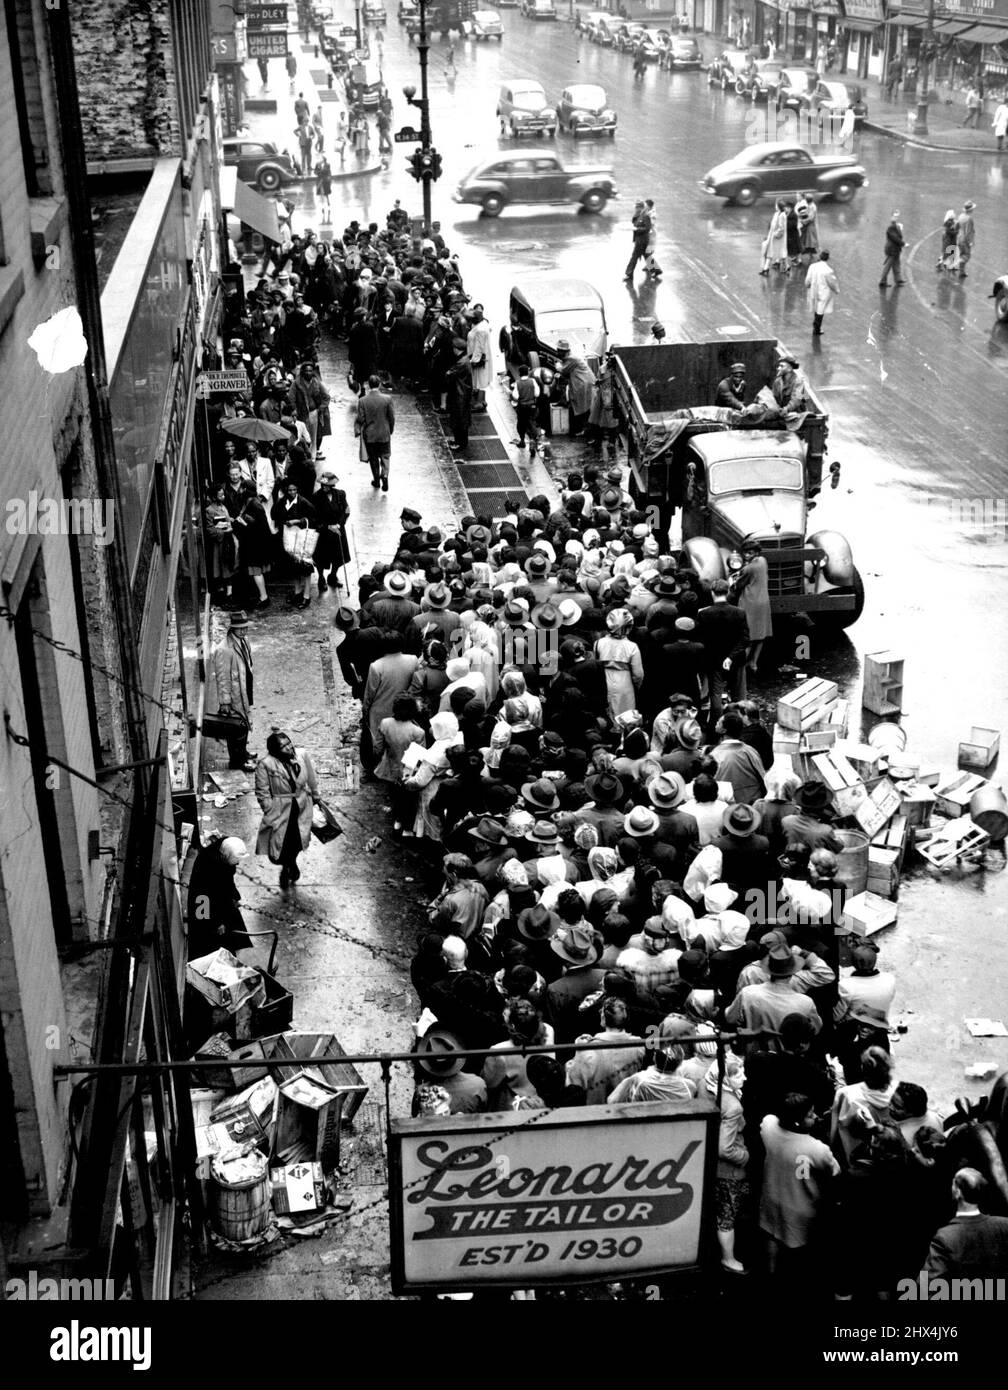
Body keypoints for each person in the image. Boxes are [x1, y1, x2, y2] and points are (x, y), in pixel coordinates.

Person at [759, 1091, 841, 1283]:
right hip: (800, 1207)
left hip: (771, 1197)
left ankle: (770, 1276)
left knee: (771, 1236)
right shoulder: (817, 1148)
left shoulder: (770, 1128)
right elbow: (835, 1171)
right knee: (795, 1249)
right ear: (797, 1122)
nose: (815, 1116)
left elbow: (769, 1119)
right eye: (810, 1115)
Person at [254, 729, 321, 888]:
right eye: (283, 746)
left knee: (298, 839)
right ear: (275, 750)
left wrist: (315, 793)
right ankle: (287, 864)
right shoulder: (266, 764)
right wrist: (269, 809)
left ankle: (291, 863)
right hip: (280, 810)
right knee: (279, 844)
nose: (289, 748)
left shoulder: (301, 755)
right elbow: (262, 791)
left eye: (289, 743)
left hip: (301, 805)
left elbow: (310, 776)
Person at [923, 1168, 1008, 1280]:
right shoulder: (1004, 1225)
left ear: (957, 1192)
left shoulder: (945, 1237)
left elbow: (925, 1288)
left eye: (953, 1184)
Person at [186, 834, 253, 959]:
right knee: (211, 942)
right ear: (225, 856)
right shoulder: (206, 868)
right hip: (207, 909)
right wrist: (215, 923)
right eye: (235, 861)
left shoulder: (223, 853)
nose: (237, 864)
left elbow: (228, 880)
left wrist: (234, 896)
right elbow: (202, 900)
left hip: (221, 903)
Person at [209, 611, 256, 771]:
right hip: (234, 696)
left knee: (244, 724)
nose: (243, 631)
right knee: (236, 729)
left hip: (244, 691)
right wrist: (225, 702)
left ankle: (243, 752)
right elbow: (222, 678)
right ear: (233, 629)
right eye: (240, 628)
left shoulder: (244, 641)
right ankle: (237, 761)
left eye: (245, 627)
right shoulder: (224, 650)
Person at [732, 539, 771, 673]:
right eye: (746, 553)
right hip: (763, 601)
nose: (747, 555)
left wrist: (735, 580)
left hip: (750, 602)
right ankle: (754, 663)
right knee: (760, 635)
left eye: (750, 553)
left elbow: (738, 585)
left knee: (747, 636)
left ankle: (742, 665)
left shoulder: (749, 568)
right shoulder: (763, 561)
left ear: (755, 553)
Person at [356, 374, 396, 490]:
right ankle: (385, 475)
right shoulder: (387, 399)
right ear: (379, 384)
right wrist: (390, 430)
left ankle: (376, 480)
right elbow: (391, 417)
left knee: (373, 459)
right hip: (384, 433)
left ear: (369, 384)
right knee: (385, 456)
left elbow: (361, 418)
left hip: (370, 435)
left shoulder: (363, 401)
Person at [313, 471, 350, 592]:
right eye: (322, 485)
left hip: (338, 531)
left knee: (339, 556)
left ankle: (333, 576)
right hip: (324, 533)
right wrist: (328, 527)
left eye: (327, 485)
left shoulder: (340, 494)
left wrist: (339, 524)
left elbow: (346, 510)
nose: (324, 487)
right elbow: (314, 518)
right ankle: (321, 578)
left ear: (332, 485)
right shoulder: (316, 497)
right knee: (321, 558)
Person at [555, 340, 596, 438]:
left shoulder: (571, 359)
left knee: (582, 406)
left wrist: (557, 365)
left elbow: (563, 370)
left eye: (558, 350)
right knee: (584, 406)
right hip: (583, 382)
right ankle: (585, 430)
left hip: (583, 384)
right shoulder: (571, 358)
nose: (557, 352)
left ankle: (585, 431)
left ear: (563, 351)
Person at [805, 248, 839, 336]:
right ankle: (817, 328)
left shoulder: (812, 266)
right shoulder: (828, 270)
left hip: (813, 289)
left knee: (816, 307)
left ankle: (816, 326)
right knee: (820, 309)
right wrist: (836, 290)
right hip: (823, 292)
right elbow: (832, 282)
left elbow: (808, 279)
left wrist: (807, 285)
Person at [623, 201, 652, 281]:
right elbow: (634, 222)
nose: (635, 209)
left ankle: (629, 274)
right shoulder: (638, 216)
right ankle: (656, 271)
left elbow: (647, 228)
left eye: (637, 207)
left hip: (642, 241)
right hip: (638, 240)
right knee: (646, 256)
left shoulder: (646, 216)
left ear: (641, 208)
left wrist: (637, 229)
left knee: (634, 257)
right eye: (635, 207)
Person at [878, 210, 906, 288]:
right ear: (891, 217)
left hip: (895, 250)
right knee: (888, 265)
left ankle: (898, 279)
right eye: (894, 216)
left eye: (897, 216)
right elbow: (895, 238)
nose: (895, 218)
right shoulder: (891, 227)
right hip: (891, 250)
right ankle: (882, 281)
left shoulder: (896, 226)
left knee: (897, 264)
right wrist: (903, 244)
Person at [760, 199, 787, 275]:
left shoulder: (782, 215)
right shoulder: (776, 214)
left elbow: (781, 228)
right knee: (770, 253)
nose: (775, 206)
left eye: (776, 205)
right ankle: (766, 269)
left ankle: (784, 267)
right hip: (772, 237)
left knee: (778, 253)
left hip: (778, 239)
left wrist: (775, 235)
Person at [955, 200, 976, 278]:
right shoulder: (969, 219)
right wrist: (970, 242)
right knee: (966, 256)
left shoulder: (960, 216)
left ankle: (962, 272)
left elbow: (956, 226)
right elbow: (969, 231)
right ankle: (958, 264)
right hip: (965, 240)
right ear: (970, 210)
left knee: (962, 254)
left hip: (959, 238)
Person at [315, 155, 332, 224]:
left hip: (325, 181)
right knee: (321, 192)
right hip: (319, 181)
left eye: (321, 159)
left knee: (326, 193)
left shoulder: (327, 164)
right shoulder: (317, 164)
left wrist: (321, 171)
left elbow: (327, 171)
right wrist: (318, 171)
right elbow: (315, 172)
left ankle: (328, 202)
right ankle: (323, 204)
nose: (320, 160)